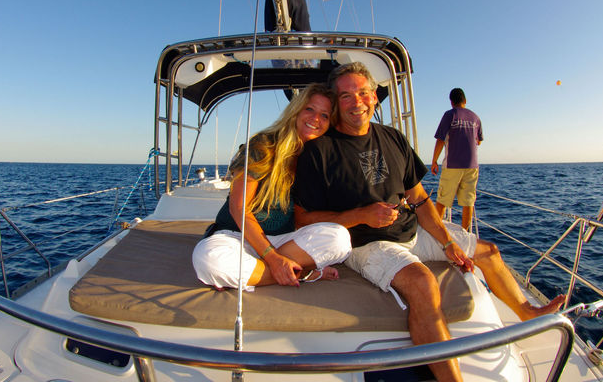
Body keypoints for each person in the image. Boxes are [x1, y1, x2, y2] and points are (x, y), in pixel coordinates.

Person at [293, 62, 564, 382]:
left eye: (363, 93)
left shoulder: (393, 138)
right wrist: (360, 216)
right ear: (336, 104)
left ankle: (525, 311)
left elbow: (419, 199)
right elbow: (302, 220)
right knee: (423, 284)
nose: (357, 102)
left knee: (488, 252)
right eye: (346, 96)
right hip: (366, 243)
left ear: (374, 98)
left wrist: (447, 241)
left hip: (411, 229)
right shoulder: (319, 151)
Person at [193, 84, 352, 290]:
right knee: (209, 259)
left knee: (339, 239)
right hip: (237, 236)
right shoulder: (263, 146)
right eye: (309, 109)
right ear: (296, 110)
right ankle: (301, 273)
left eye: (325, 115)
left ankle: (254, 273)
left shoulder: (317, 159)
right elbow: (239, 209)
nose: (315, 119)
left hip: (283, 241)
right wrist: (273, 259)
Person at [431, 88, 483, 231]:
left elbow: (440, 139)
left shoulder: (449, 115)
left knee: (442, 200)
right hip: (472, 165)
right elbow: (479, 141)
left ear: (451, 102)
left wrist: (434, 161)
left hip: (452, 165)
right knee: (468, 202)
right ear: (465, 101)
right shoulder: (475, 117)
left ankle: (436, 232)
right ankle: (466, 233)